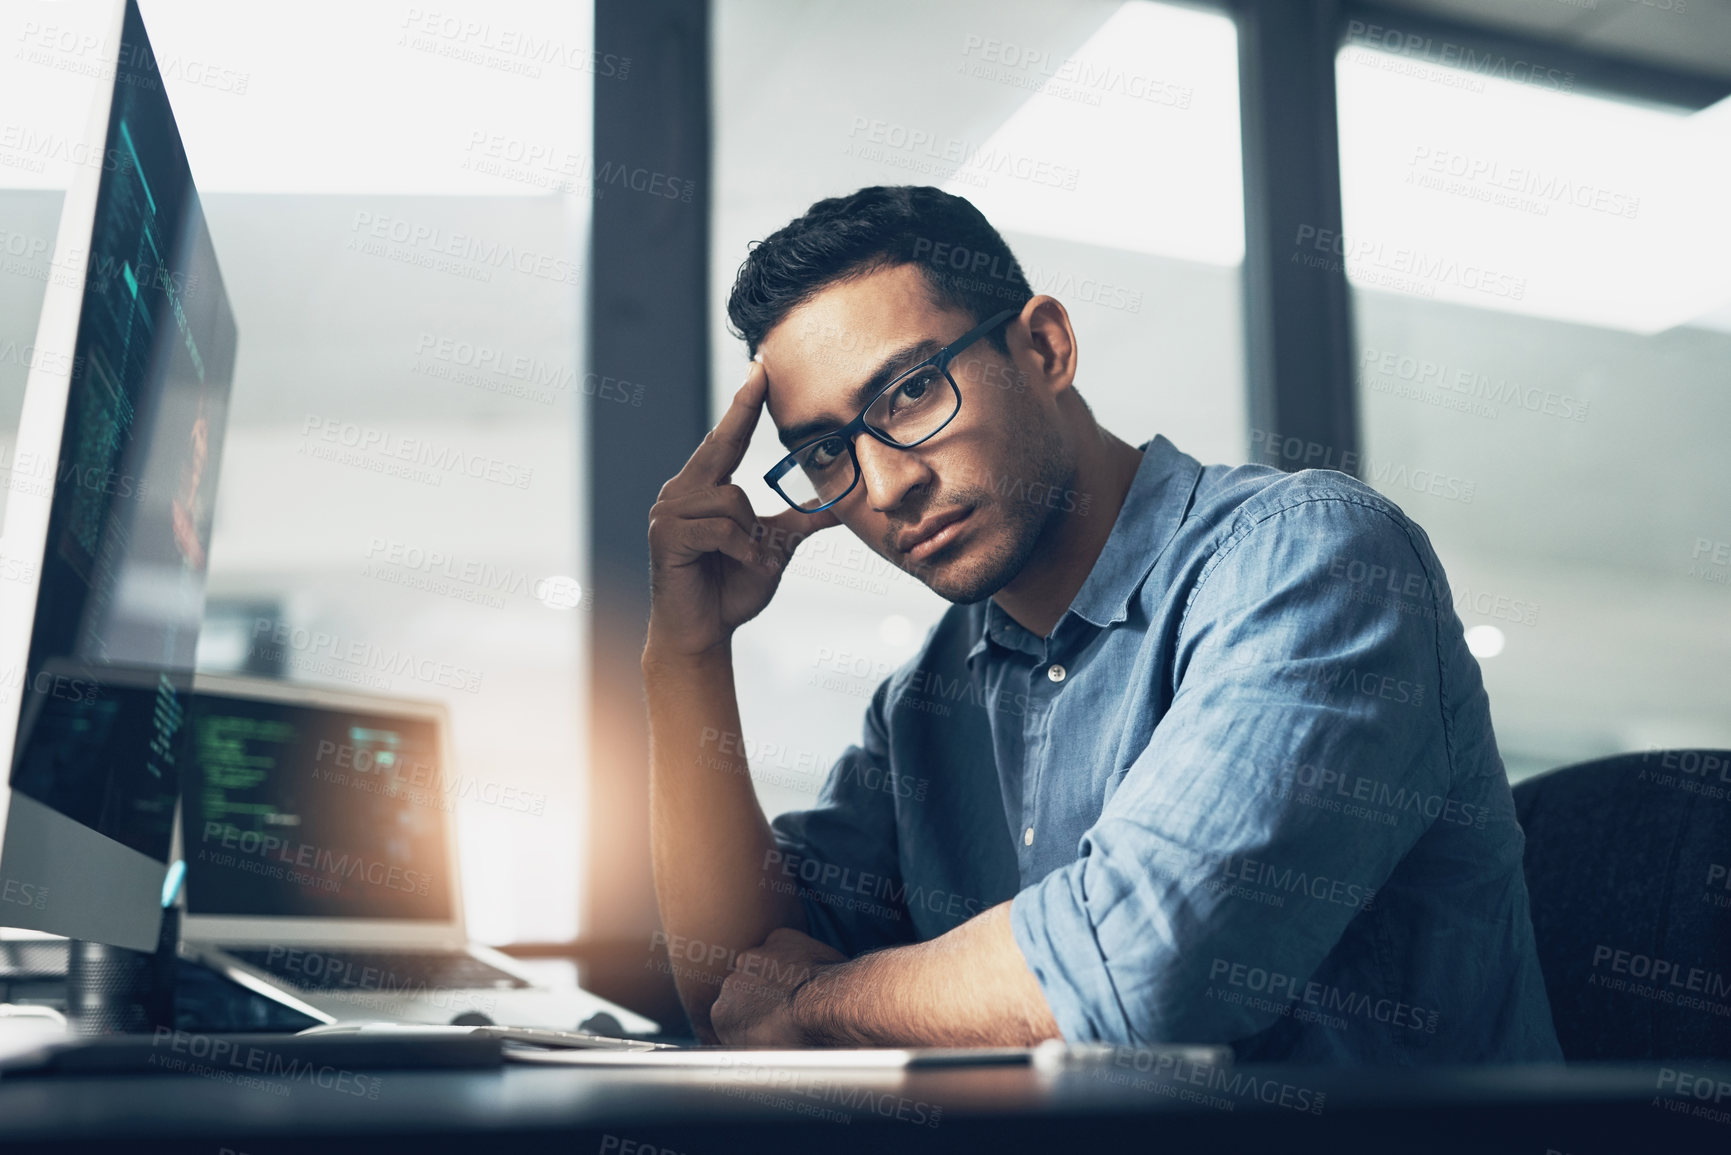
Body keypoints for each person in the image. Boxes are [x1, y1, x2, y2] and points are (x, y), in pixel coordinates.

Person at [642, 185, 1561, 1062]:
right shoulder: (932, 693)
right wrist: (686, 657)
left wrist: (818, 1004)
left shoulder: (1310, 559)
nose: (885, 487)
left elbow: (1144, 967)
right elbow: (736, 986)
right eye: (827, 452)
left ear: (1043, 347)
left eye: (912, 392)